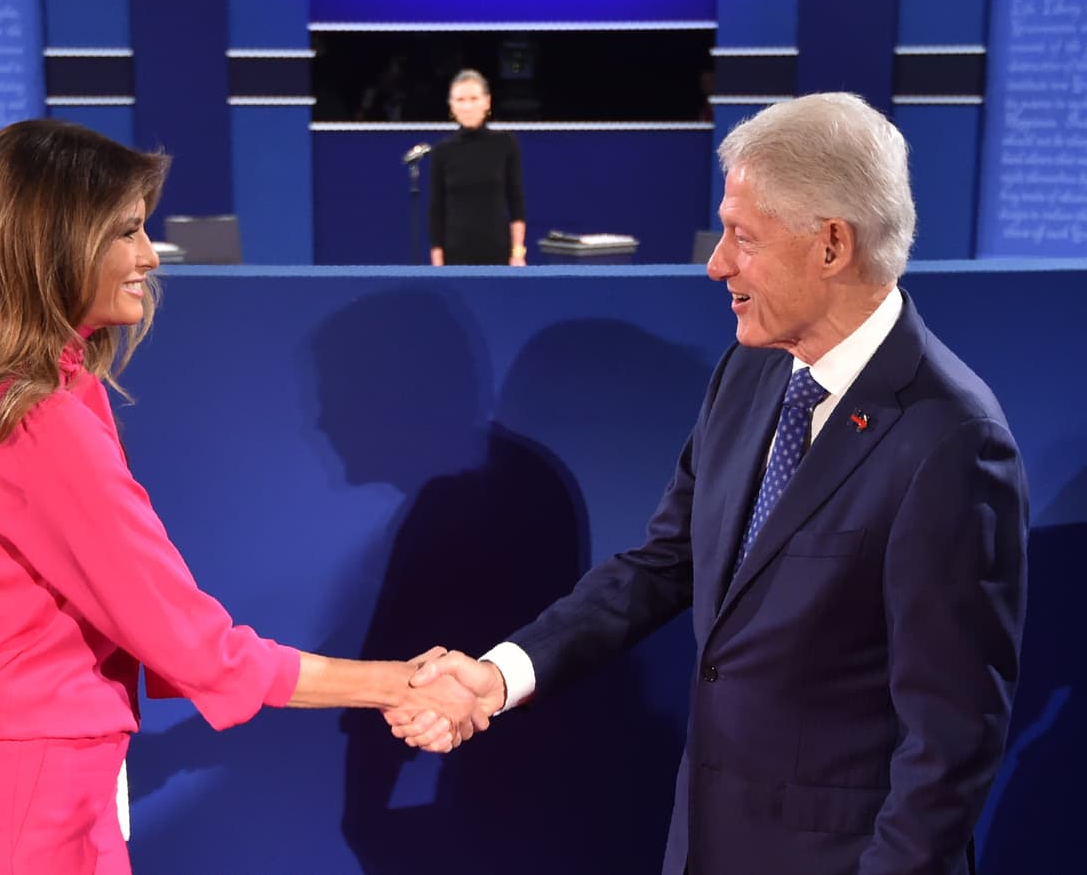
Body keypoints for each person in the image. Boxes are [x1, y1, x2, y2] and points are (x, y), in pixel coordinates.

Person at [395, 92, 1029, 875]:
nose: (717, 263)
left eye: (743, 238)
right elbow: (663, 564)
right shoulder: (751, 369)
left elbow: (952, 742)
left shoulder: (953, 441)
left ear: (831, 245)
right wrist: (500, 674)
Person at [0, 119, 470, 875]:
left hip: (42, 786)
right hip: (24, 802)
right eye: (126, 233)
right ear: (53, 245)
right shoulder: (36, 420)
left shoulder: (41, 397)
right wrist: (395, 683)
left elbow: (146, 639)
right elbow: (187, 642)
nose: (149, 257)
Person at [428, 69, 527, 266]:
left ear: (487, 102)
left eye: (474, 99)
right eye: (461, 100)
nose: (467, 106)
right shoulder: (442, 151)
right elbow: (436, 209)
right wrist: (437, 261)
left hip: (498, 250)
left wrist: (518, 252)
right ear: (452, 106)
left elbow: (516, 201)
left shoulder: (505, 144)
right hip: (455, 253)